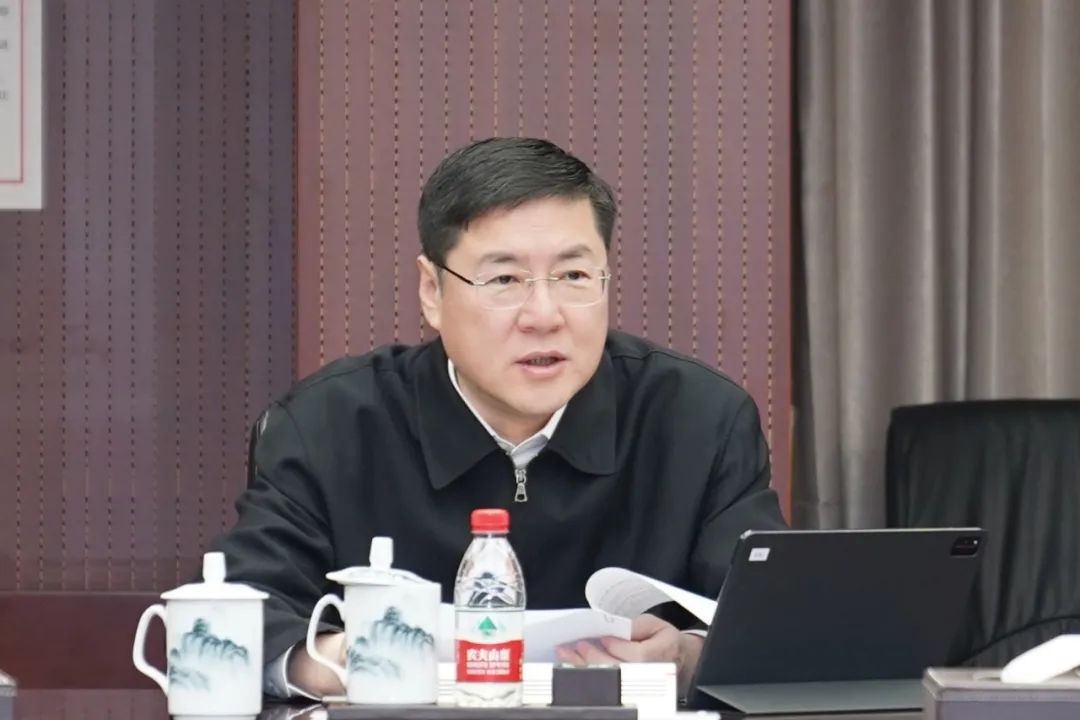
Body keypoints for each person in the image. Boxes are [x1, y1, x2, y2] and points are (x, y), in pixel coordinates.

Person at [210, 137, 786, 700]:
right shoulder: (330, 426)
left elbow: (773, 629)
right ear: (432, 291)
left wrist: (688, 659)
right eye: (505, 280)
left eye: (574, 276)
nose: (544, 315)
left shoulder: (697, 420)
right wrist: (343, 662)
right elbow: (240, 615)